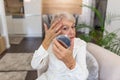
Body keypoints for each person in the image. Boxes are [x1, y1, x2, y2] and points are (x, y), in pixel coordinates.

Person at [31, 12, 89, 80]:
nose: (72, 32)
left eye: (73, 27)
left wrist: (71, 62)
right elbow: (35, 65)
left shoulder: (80, 44)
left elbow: (83, 77)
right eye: (65, 28)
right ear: (56, 31)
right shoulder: (51, 43)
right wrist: (45, 43)